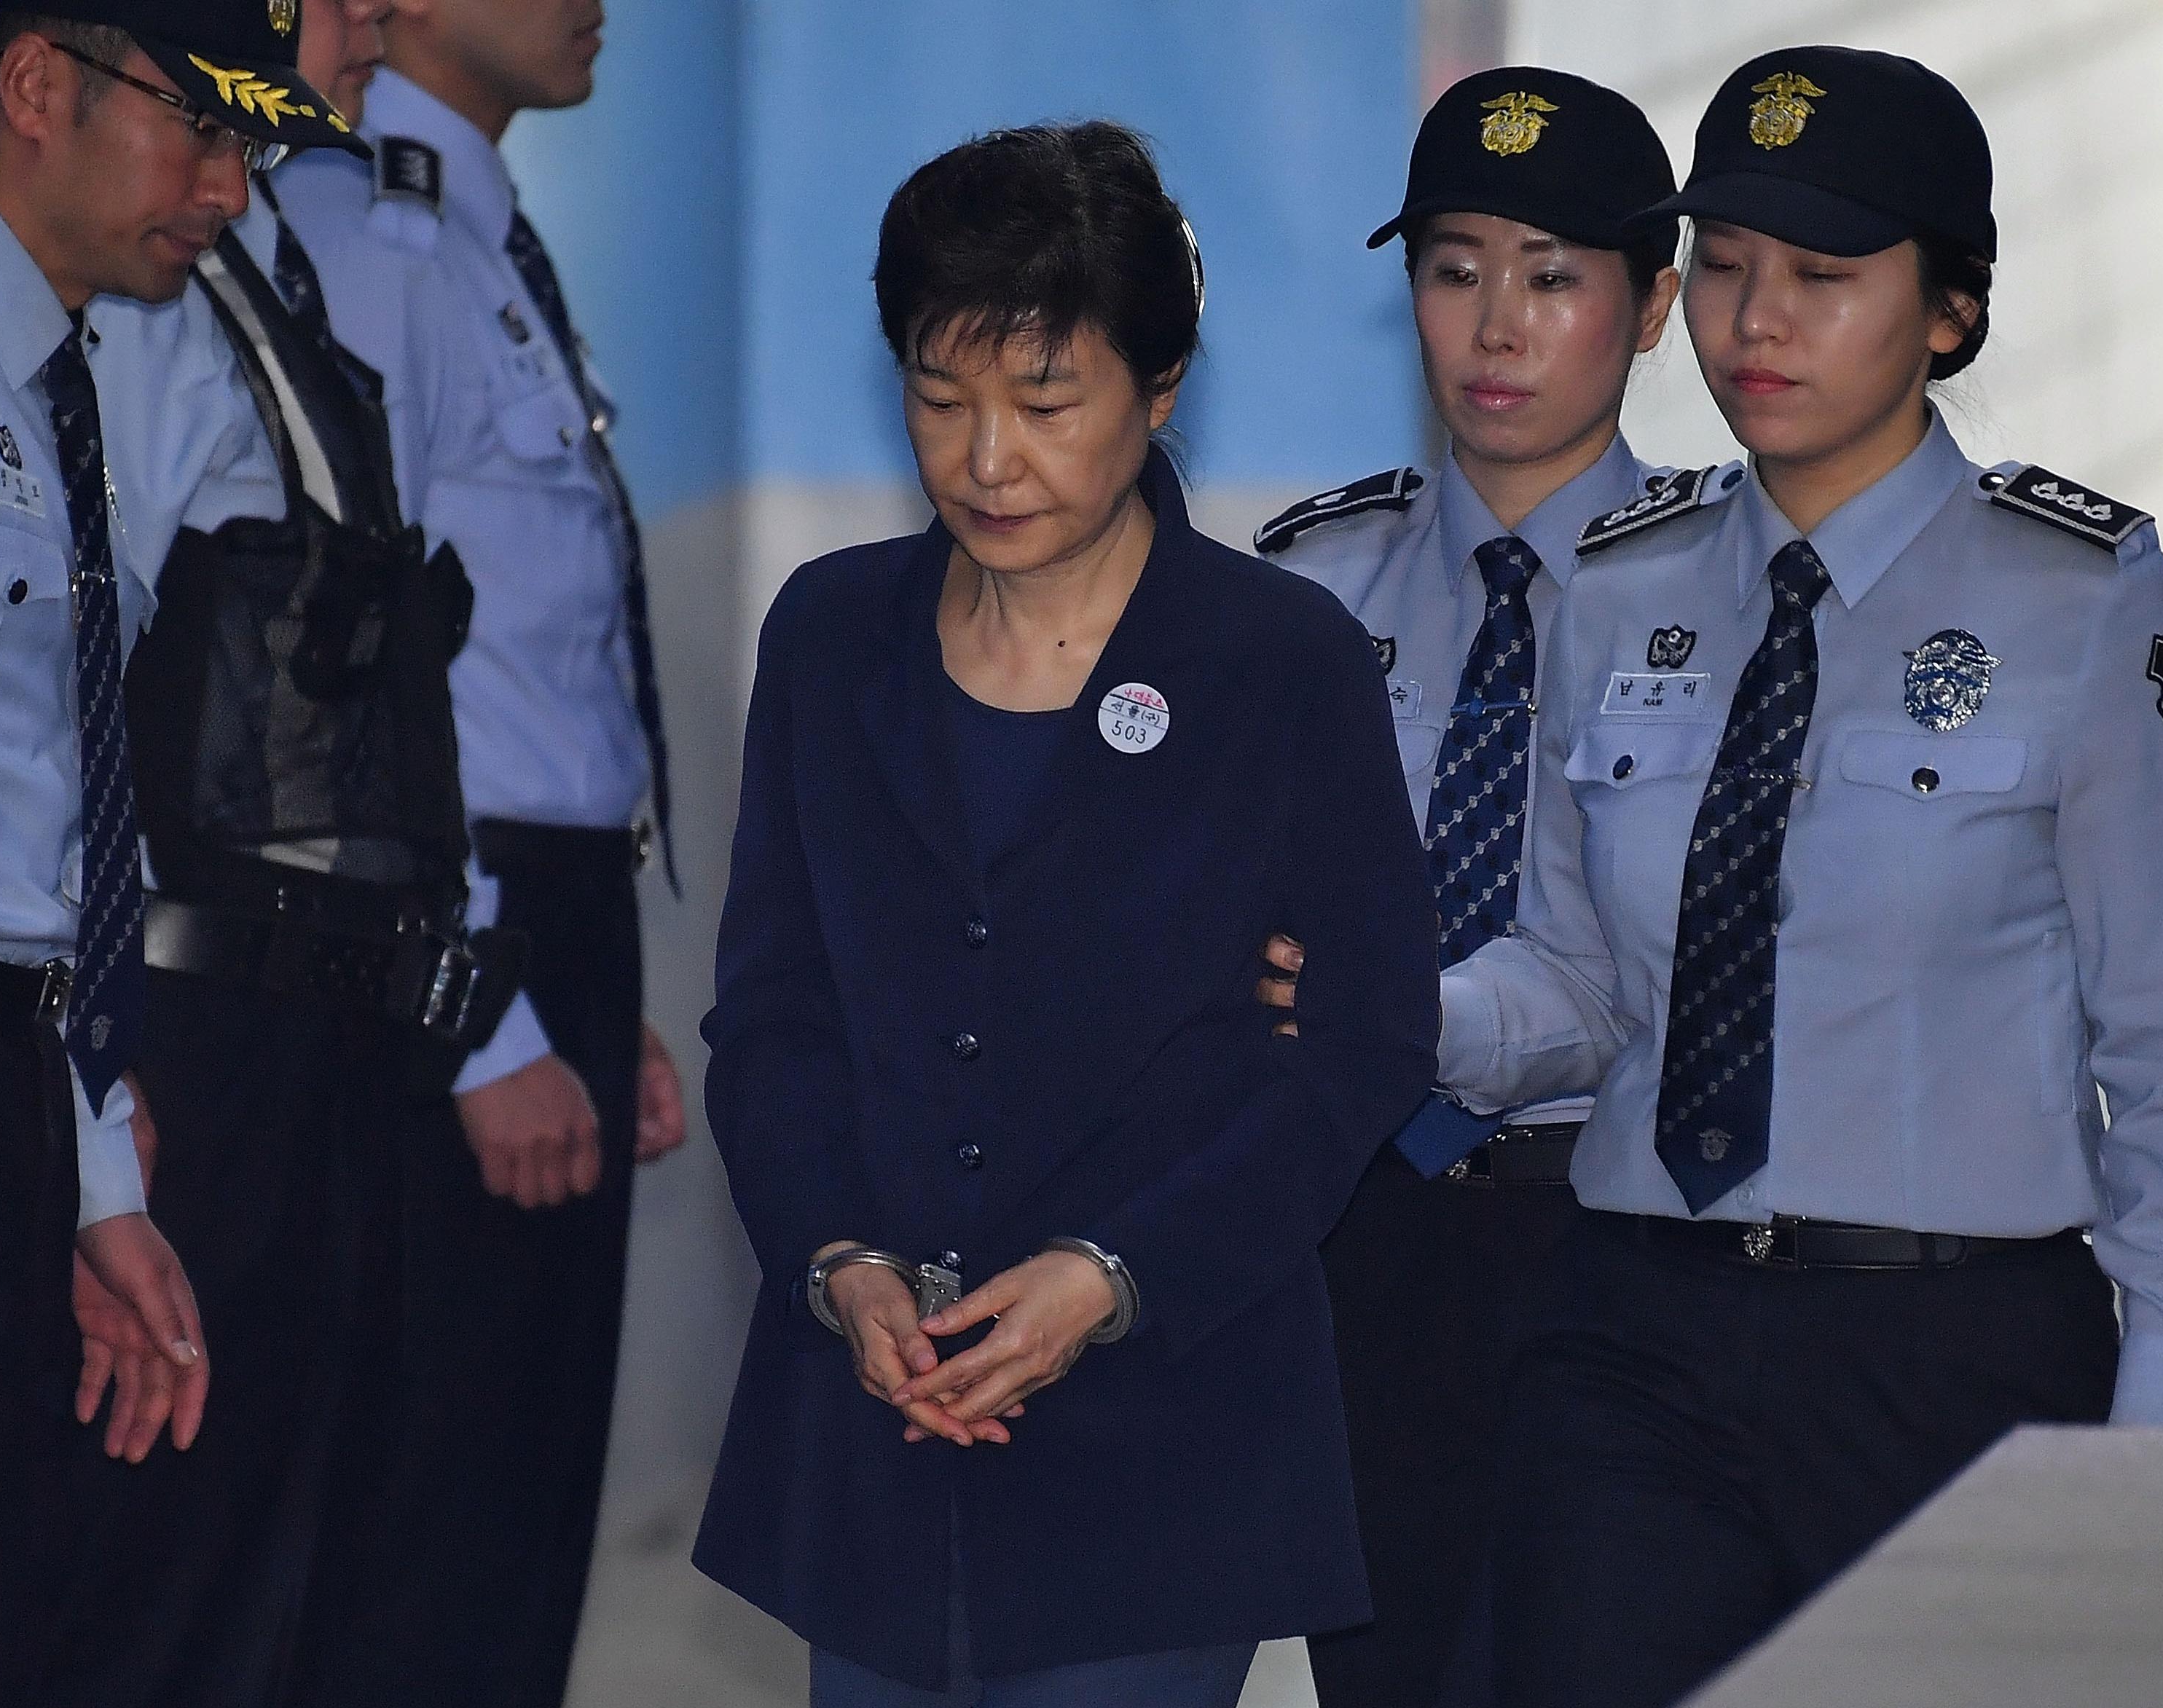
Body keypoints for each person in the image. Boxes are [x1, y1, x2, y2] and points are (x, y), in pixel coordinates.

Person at [1427, 47, 2163, 1708]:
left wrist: (2148, 1435)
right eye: (1721, 266)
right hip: (1633, 1329)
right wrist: (1386, 997)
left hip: (1956, 1355)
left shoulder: (2083, 596)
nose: (1754, 322)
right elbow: (1577, 991)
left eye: (1822, 276)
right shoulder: (1621, 581)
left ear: (1951, 312)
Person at [691, 121, 1443, 1708]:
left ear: (1159, 391)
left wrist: (1114, 1272)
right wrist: (839, 1265)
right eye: (940, 398)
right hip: (879, 1419)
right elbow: (771, 1015)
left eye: (1045, 406)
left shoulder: (1278, 661)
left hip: (1167, 1429)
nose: (985, 461)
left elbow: (1363, 1048)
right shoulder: (834, 637)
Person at [0, 1, 363, 1700]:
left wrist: (94, 1187)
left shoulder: (59, 382)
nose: (228, 185)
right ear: (39, 82)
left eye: (252, 144)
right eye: (197, 128)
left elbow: (20, 822)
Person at [35, 4, 530, 1704]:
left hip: (330, 1045)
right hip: (204, 1037)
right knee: (172, 1585)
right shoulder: (131, 311)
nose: (373, 20)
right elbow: (58, 704)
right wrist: (90, 1067)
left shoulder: (259, 280)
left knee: (310, 1576)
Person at [270, 4, 689, 1700]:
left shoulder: (480, 238)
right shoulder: (357, 236)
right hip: (448, 936)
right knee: (433, 1541)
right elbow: (347, 667)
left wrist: (599, 993)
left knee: (523, 1516)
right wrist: (488, 1020)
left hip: (548, 916)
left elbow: (529, 664)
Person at [1251, 66, 1679, 1708]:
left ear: (1648, 312)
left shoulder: (1742, 599)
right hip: (1364, 1235)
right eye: (1452, 268)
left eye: (1555, 275)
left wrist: (1377, 1008)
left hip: (1631, 1235)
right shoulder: (1305, 585)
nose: (1496, 326)